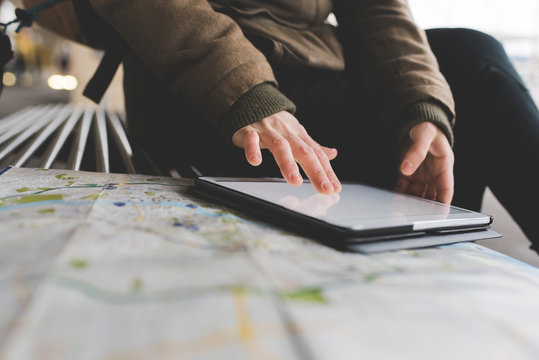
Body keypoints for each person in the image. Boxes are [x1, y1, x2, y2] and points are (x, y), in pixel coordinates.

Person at [82, 0, 537, 248]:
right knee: (476, 72)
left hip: (312, 70)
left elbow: (377, 10)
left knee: (466, 65)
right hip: (201, 88)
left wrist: (420, 104)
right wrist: (242, 90)